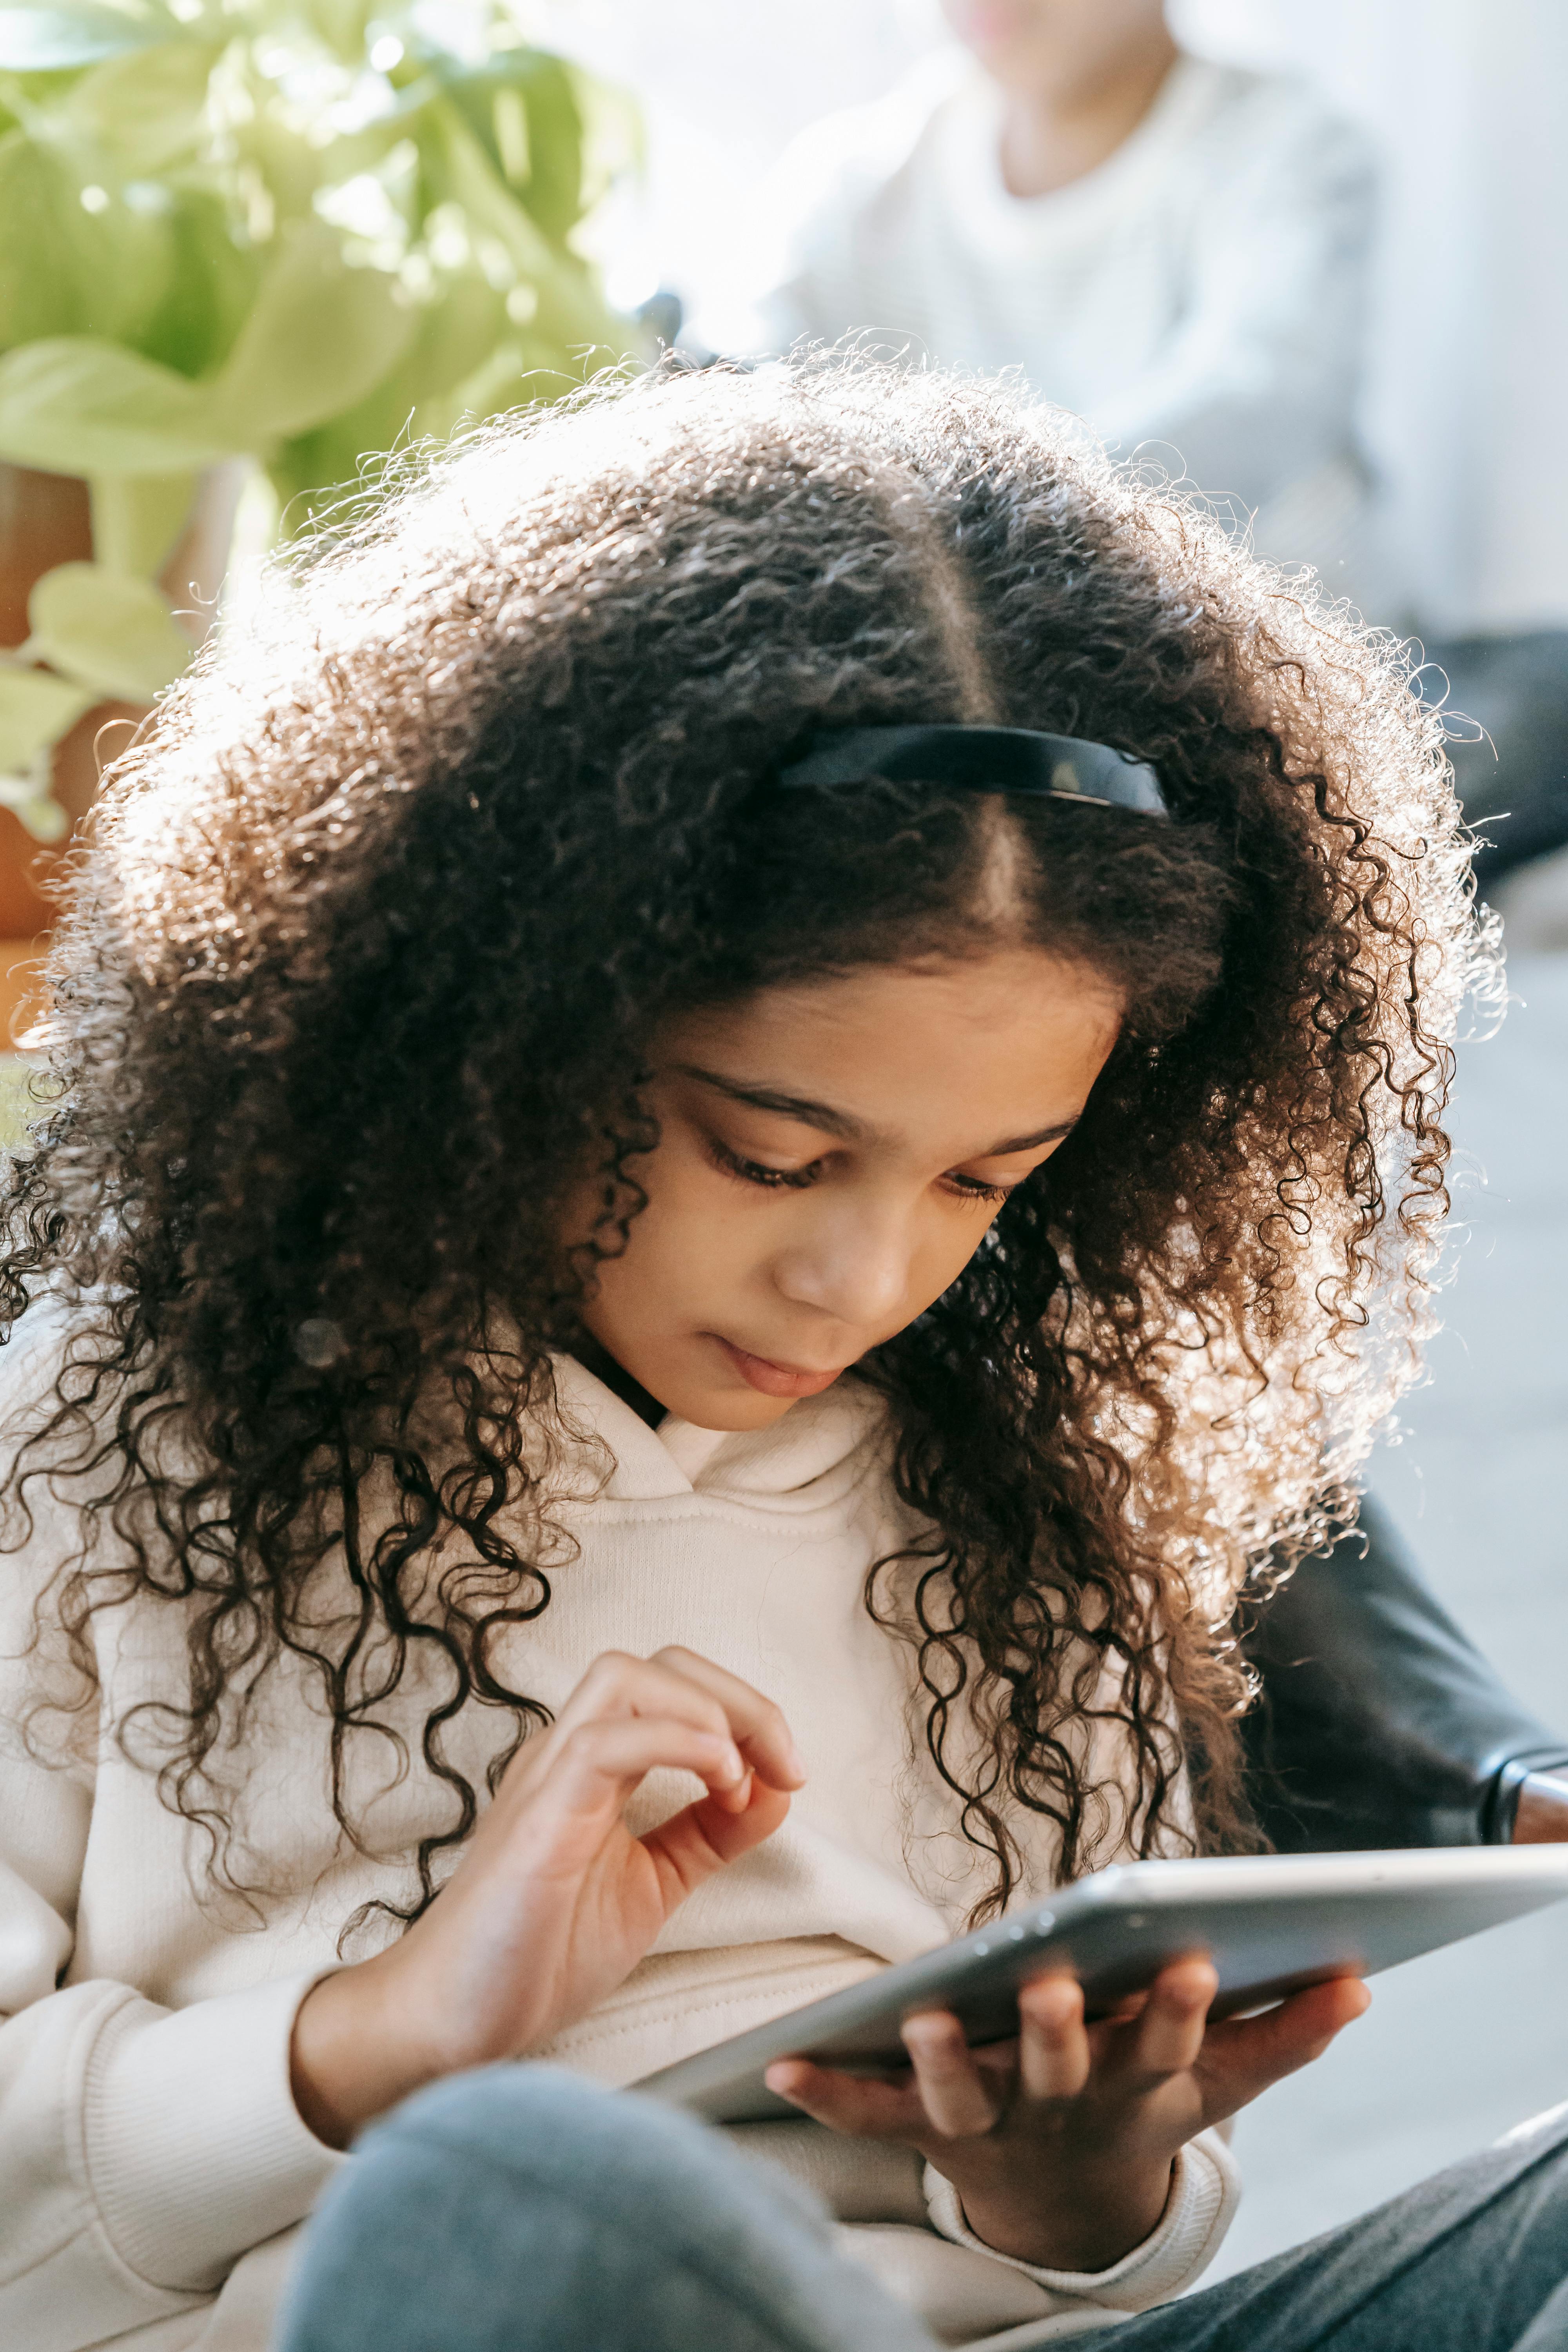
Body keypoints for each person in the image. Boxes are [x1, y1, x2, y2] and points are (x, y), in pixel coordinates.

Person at [0, 354, 1559, 2352]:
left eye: (983, 1179)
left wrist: (1080, 2195)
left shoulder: (1022, 1488)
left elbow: (1072, 2252)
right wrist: (373, 2044)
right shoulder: (94, 1449)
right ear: (500, 1019)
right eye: (769, 1153)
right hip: (459, 2302)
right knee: (521, 2199)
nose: (859, 1277)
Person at [727, 0, 1392, 608]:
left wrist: (971, 513)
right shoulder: (862, 175)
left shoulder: (1286, 152)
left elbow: (1260, 392)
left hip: (1262, 672)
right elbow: (745, 367)